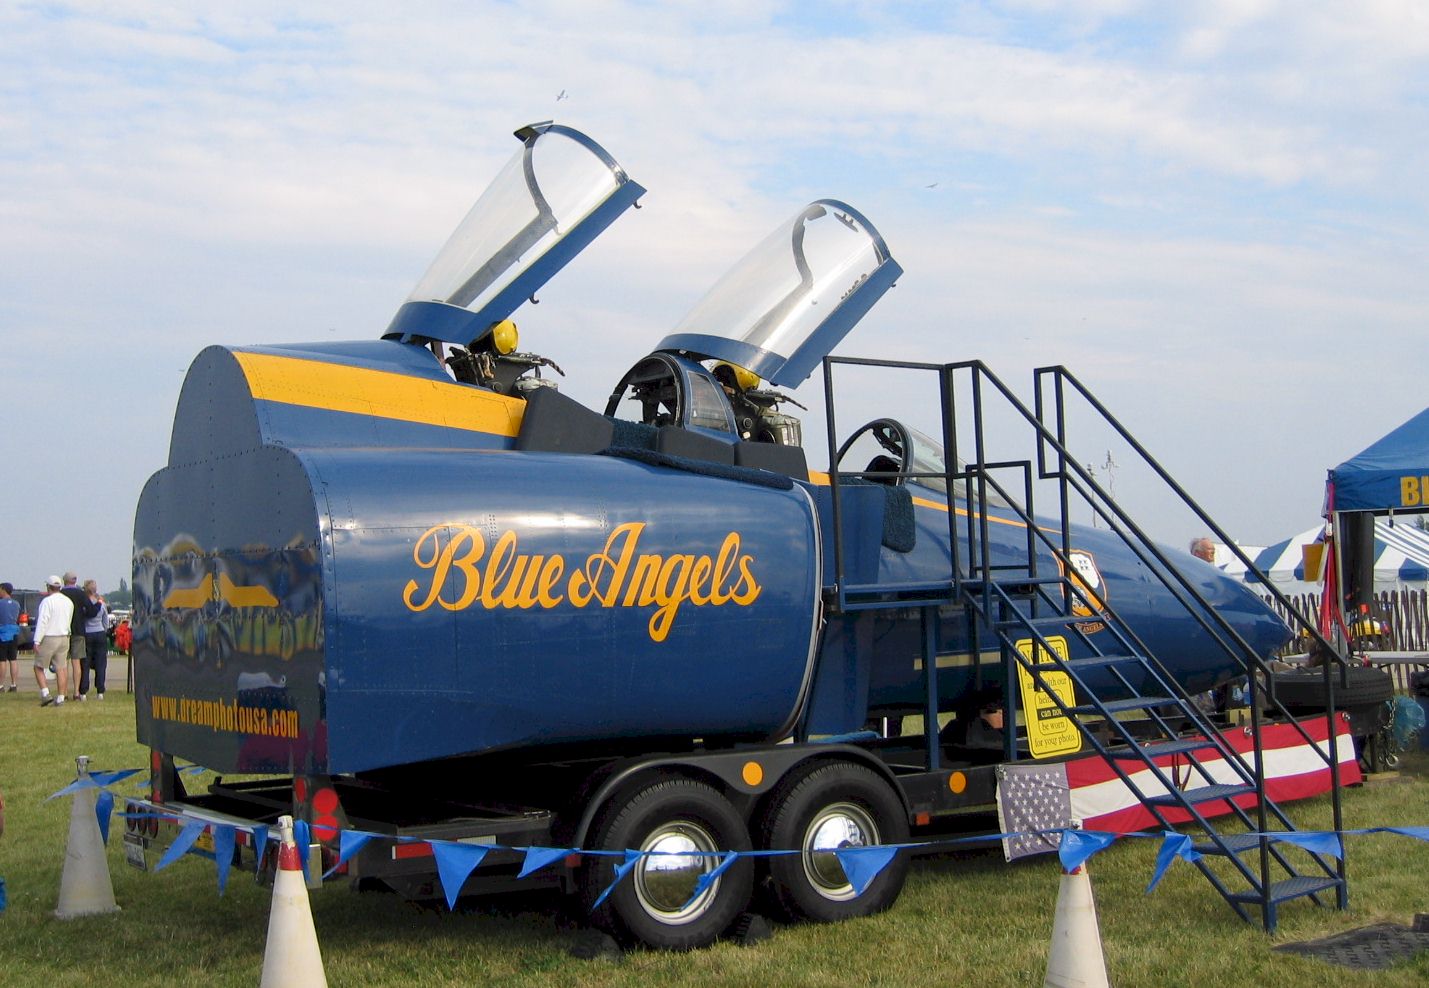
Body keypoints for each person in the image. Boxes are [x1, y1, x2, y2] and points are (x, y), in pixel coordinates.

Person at [33, 576, 73, 705]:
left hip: (50, 636)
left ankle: (45, 693)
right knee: (61, 667)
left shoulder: (47, 601)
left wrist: (37, 640)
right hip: (64, 636)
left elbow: (43, 621)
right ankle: (61, 696)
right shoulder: (68, 601)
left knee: (38, 666)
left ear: (48, 587)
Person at [59, 572, 99, 701]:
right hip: (78, 630)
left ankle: (63, 691)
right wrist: (98, 604)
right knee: (76, 662)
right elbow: (92, 611)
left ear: (64, 581)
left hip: (63, 631)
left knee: (62, 662)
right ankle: (76, 692)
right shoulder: (81, 594)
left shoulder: (60, 594)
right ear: (75, 581)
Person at [79, 579, 109, 699]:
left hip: (87, 633)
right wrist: (104, 630)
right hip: (100, 632)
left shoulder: (84, 604)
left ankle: (83, 691)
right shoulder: (101, 604)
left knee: (85, 663)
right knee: (101, 663)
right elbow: (105, 621)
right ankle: (100, 691)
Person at [0, 583, 20, 691]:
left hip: (2, 633)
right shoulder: (16, 604)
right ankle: (14, 684)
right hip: (14, 633)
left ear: (4, 590)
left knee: (2, 660)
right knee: (13, 659)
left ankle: (1, 685)